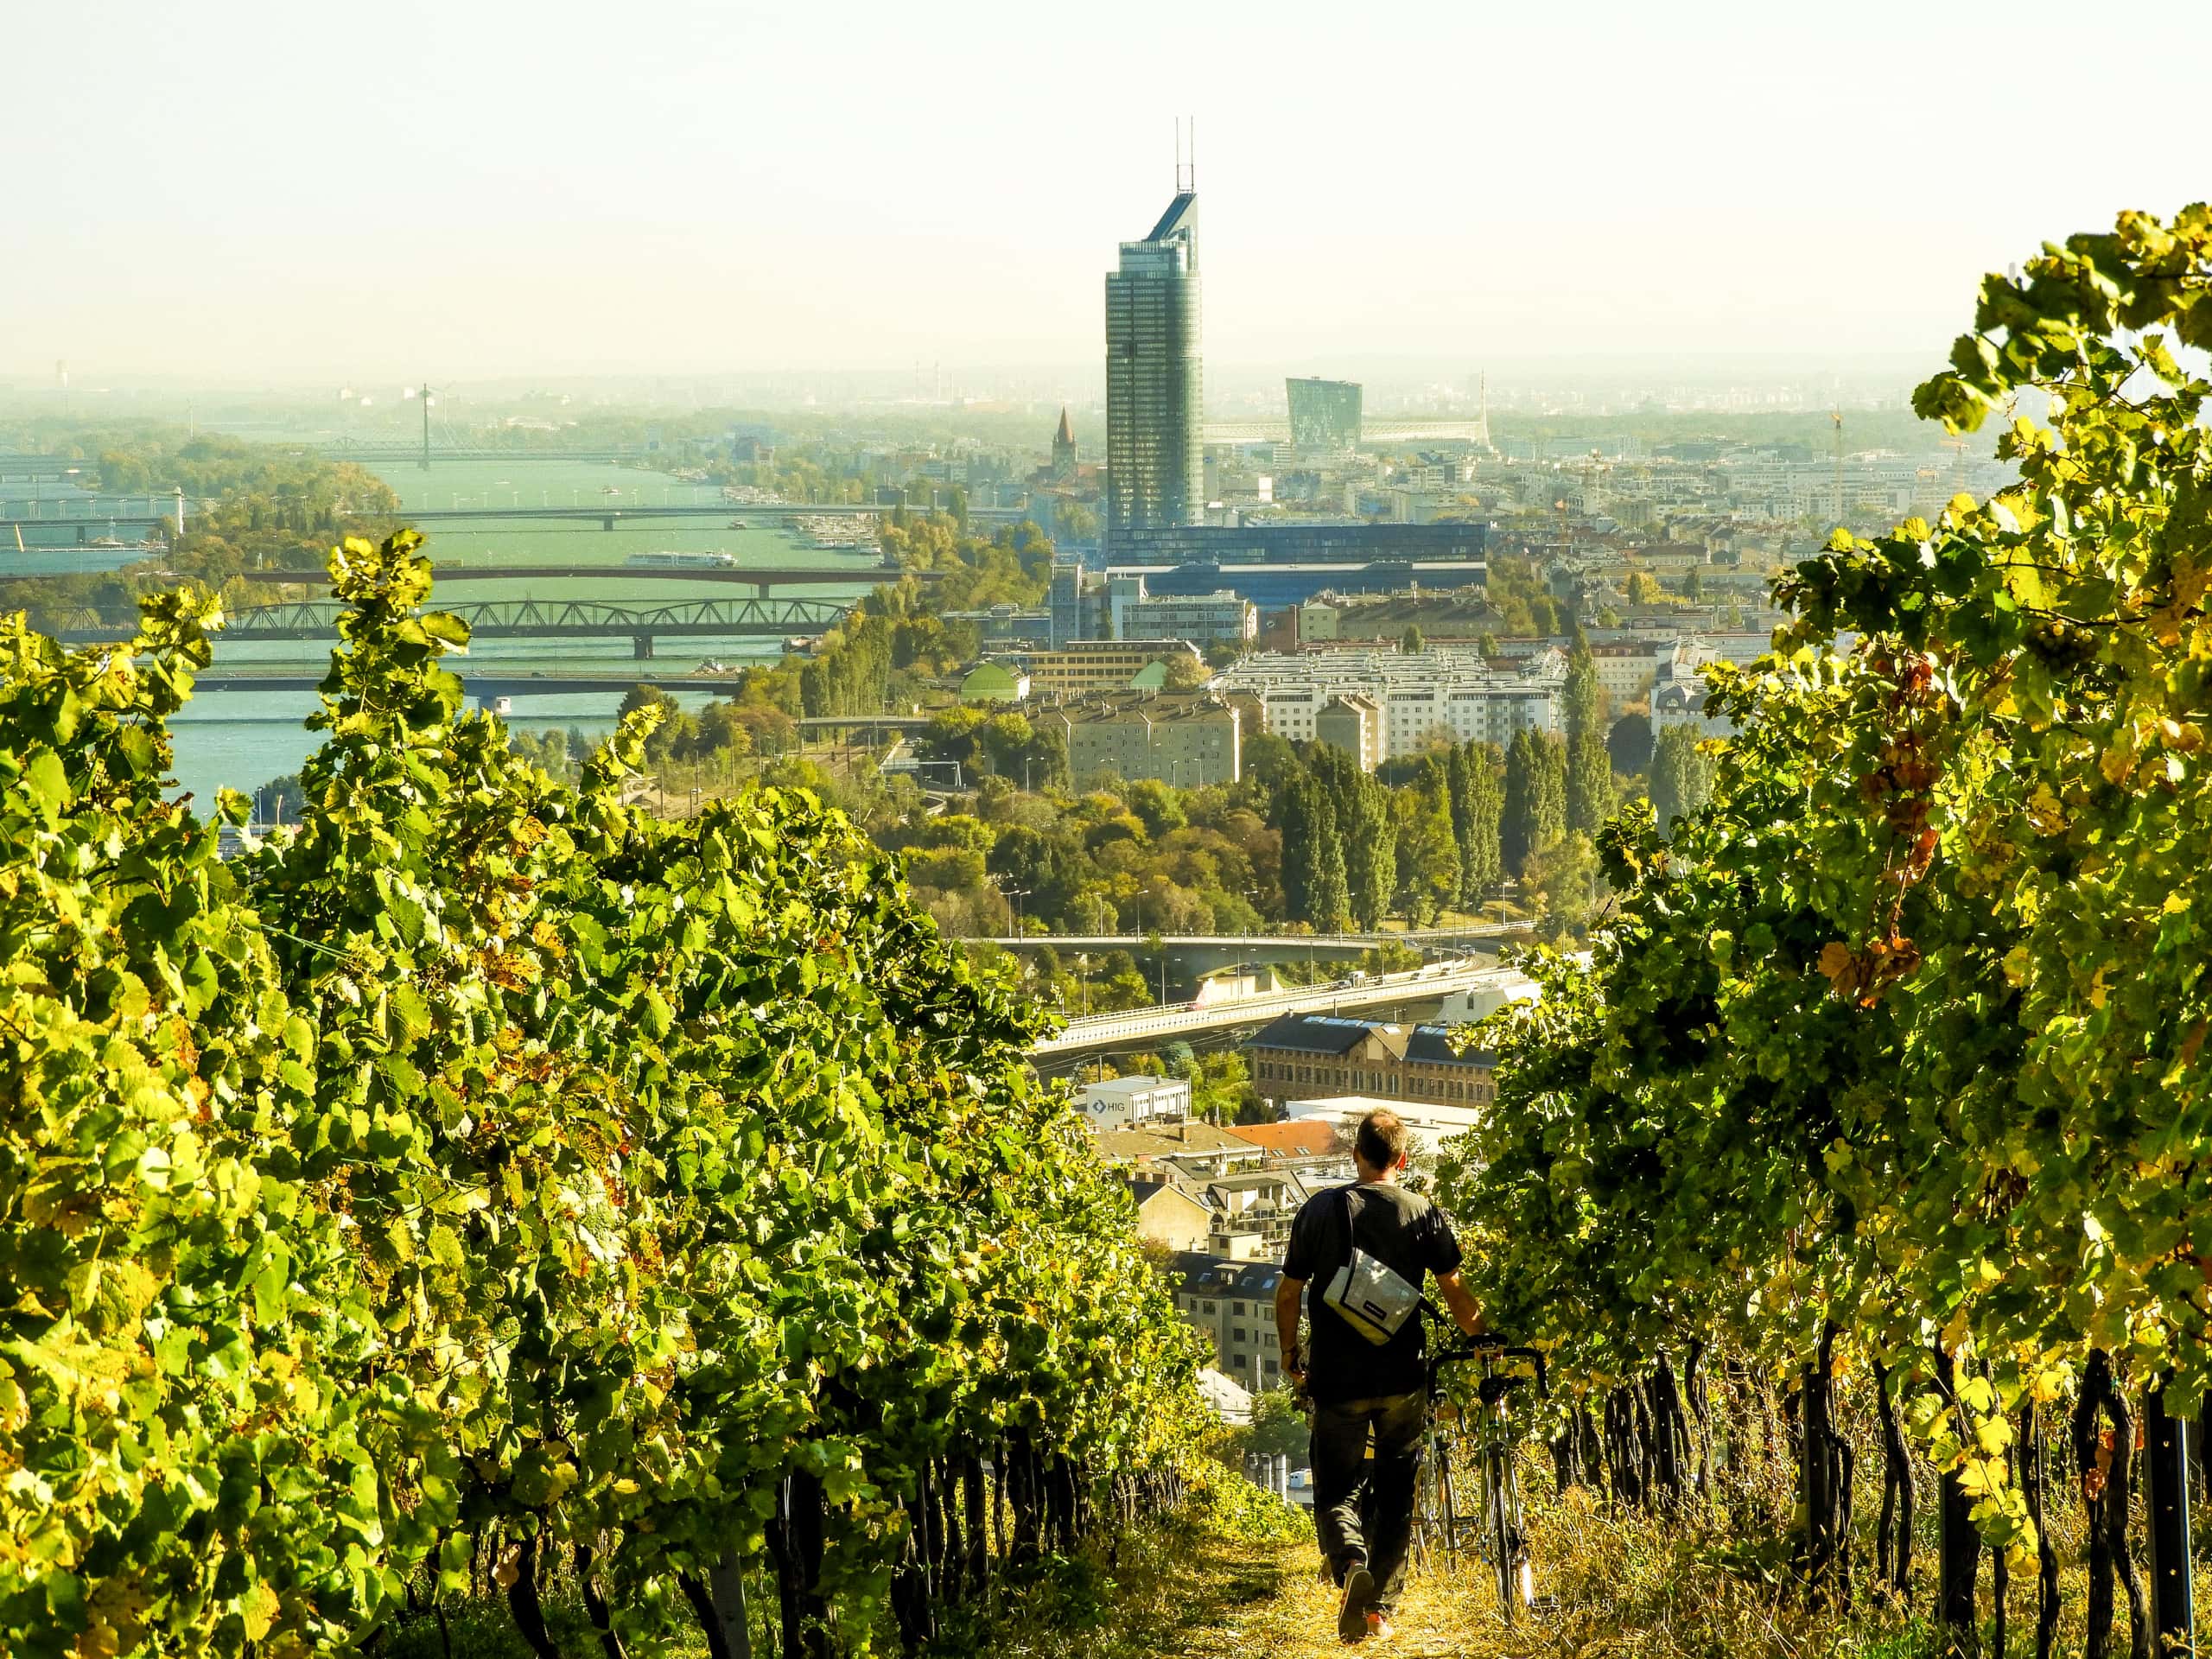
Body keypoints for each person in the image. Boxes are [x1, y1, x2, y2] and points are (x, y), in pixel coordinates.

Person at [1274, 1108, 1483, 1644]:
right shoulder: (1423, 1212)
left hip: (1338, 1376)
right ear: (1403, 1158)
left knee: (1337, 1486)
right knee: (1395, 1494)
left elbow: (1289, 1291)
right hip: (1402, 1378)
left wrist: (1290, 1352)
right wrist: (1481, 1341)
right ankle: (1379, 1613)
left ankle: (1349, 1564)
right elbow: (1454, 1289)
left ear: (1355, 1156)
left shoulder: (1321, 1209)